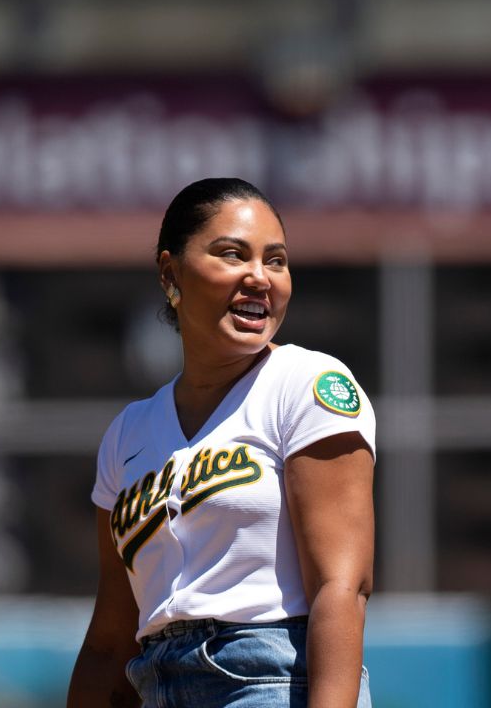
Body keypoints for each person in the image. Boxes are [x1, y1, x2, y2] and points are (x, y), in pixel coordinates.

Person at [68, 177, 376, 708]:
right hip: (155, 686)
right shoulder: (127, 434)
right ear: (171, 274)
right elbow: (109, 640)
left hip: (269, 680)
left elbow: (341, 588)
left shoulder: (306, 384)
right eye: (233, 254)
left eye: (276, 260)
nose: (259, 276)